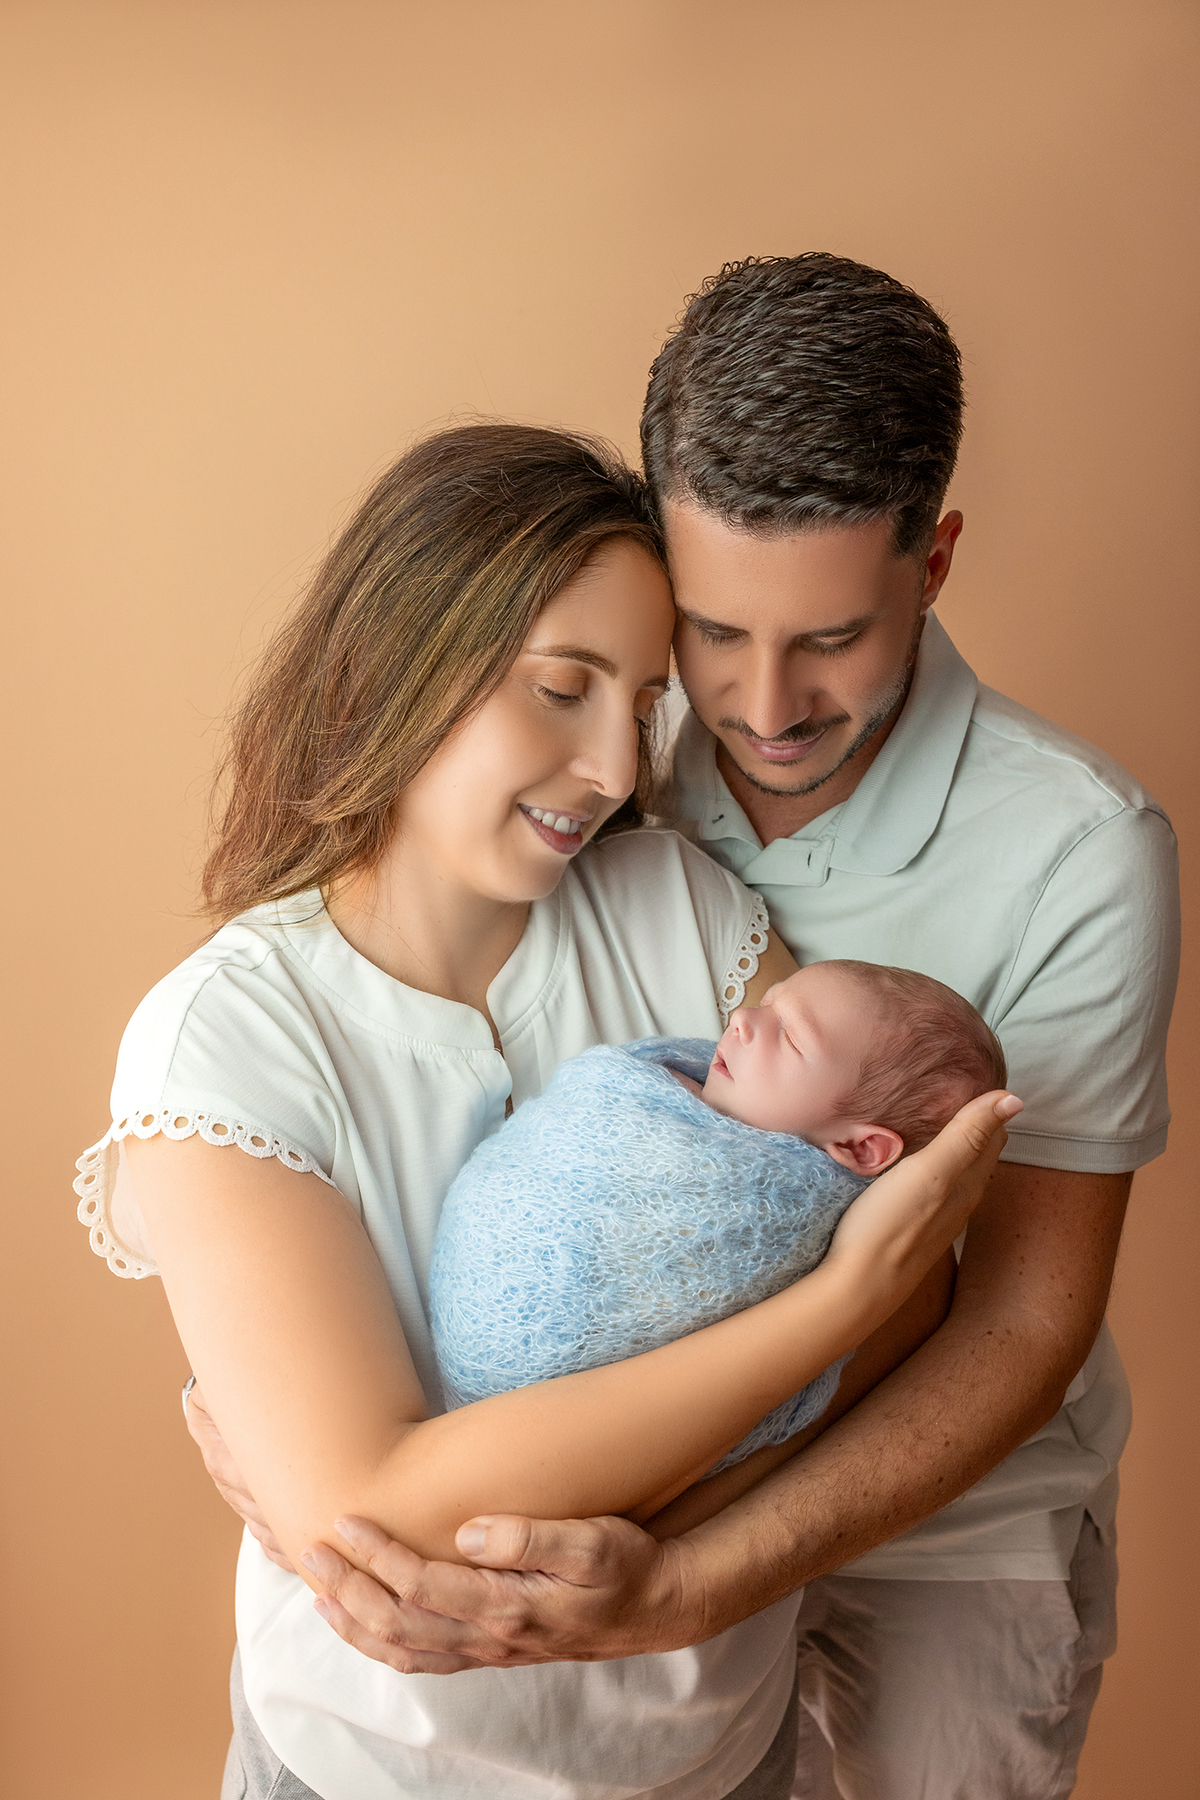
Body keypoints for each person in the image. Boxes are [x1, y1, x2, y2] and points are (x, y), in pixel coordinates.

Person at [266, 259, 1180, 1800]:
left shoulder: (1084, 850)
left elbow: (1021, 1319)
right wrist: (311, 1464)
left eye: (832, 637)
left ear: (935, 561)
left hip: (947, 1515)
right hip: (637, 1468)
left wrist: (684, 1579)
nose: (761, 704)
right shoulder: (596, 758)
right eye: (713, 631)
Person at [74, 422, 1015, 1800]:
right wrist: (835, 1302)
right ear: (402, 660)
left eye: (641, 706)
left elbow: (916, 1295)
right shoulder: (228, 1040)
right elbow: (383, 1517)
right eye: (563, 688)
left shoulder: (678, 910)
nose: (618, 770)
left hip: (712, 1749)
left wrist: (663, 1565)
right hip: (377, 1768)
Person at [431, 961, 1008, 1487]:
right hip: (491, 1413)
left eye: (791, 1037)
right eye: (768, 1002)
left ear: (860, 1149)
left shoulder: (787, 1219)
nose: (742, 1019)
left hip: (561, 1431)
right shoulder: (671, 1076)